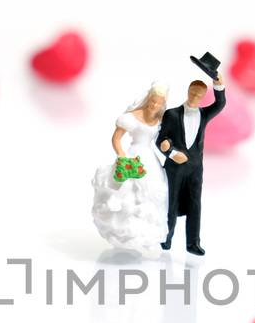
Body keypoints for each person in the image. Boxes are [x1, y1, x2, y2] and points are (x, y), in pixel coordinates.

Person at [90, 83, 170, 255]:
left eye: (158, 103)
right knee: (129, 191)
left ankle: (145, 235)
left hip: (149, 158)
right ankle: (124, 233)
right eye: (152, 101)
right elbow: (116, 139)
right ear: (148, 98)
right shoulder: (133, 117)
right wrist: (121, 155)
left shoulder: (161, 118)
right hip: (133, 155)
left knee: (154, 192)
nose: (154, 106)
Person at [157, 74, 226, 255]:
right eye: (193, 93)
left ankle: (193, 243)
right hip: (175, 167)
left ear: (203, 97)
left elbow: (220, 104)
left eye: (199, 95)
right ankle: (166, 238)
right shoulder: (172, 114)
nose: (195, 97)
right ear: (188, 91)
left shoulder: (204, 114)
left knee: (195, 204)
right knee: (171, 203)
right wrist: (171, 152)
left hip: (196, 168)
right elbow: (161, 140)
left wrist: (218, 83)